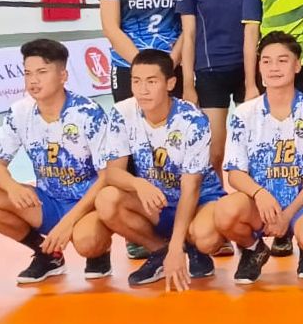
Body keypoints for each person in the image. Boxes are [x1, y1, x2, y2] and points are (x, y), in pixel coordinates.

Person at [0, 39, 113, 284]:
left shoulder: (87, 113)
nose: (33, 80)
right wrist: (12, 186)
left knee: (87, 242)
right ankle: (48, 254)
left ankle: (100, 254)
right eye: (27, 73)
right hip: (48, 201)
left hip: (87, 204)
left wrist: (68, 222)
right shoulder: (20, 112)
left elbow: (107, 177)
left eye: (42, 72)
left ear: (63, 75)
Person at [99, 0, 192, 260]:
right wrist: (142, 66)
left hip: (172, 63)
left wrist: (171, 61)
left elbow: (187, 20)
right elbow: (110, 25)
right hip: (128, 67)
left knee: (176, 138)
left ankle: (185, 215)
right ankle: (137, 229)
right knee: (134, 145)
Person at [95, 49, 226, 289]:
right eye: (136, 81)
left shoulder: (192, 119)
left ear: (170, 83)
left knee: (207, 237)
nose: (142, 90)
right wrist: (138, 183)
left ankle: (193, 249)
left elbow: (191, 187)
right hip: (157, 200)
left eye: (151, 81)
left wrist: (179, 247)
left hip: (199, 200)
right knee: (106, 200)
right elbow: (113, 172)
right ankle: (159, 251)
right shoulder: (122, 112)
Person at [214, 32, 303, 286]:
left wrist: (288, 213)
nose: (273, 68)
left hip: (302, 205)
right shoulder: (245, 113)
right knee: (224, 212)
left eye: (282, 60)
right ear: (258, 66)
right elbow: (235, 173)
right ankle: (253, 250)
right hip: (260, 204)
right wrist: (259, 194)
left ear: (297, 65)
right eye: (266, 61)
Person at [178, 0, 262, 174]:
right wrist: (188, 84)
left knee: (254, 145)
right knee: (215, 149)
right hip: (209, 74)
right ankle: (216, 202)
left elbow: (252, 33)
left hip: (246, 71)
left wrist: (251, 84)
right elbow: (188, 36)